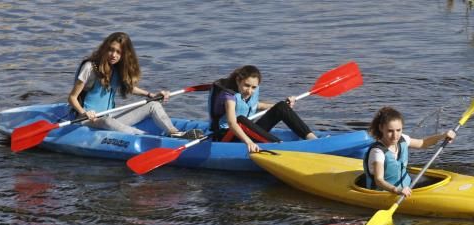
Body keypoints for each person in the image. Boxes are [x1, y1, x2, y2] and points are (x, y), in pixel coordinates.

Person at [68, 32, 202, 139]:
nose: (113, 55)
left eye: (118, 52)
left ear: (124, 54)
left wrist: (150, 95)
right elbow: (72, 97)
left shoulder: (116, 68)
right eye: (111, 50)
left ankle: (174, 133)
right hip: (88, 119)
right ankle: (147, 138)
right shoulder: (90, 67)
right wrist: (84, 112)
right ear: (105, 48)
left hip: (110, 115)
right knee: (107, 122)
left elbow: (128, 87)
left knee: (153, 105)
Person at [208, 65, 318, 154]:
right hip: (228, 136)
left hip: (246, 130)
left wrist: (283, 108)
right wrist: (249, 142)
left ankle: (313, 140)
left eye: (253, 87)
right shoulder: (229, 97)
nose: (250, 91)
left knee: (281, 106)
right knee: (240, 119)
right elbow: (232, 123)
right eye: (247, 85)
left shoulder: (250, 91)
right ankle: (282, 146)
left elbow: (255, 105)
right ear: (238, 80)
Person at [363, 106, 456, 196]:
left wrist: (443, 136)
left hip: (406, 186)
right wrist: (397, 190)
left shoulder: (402, 139)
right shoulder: (377, 152)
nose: (395, 135)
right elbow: (379, 180)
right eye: (390, 131)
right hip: (385, 192)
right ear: (381, 128)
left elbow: (423, 143)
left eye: (398, 130)